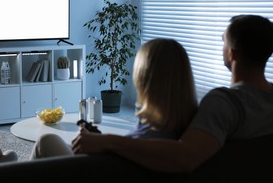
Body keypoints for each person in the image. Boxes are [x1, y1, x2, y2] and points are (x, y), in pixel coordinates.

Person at [70, 14, 273, 173]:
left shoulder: (224, 103)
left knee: (46, 144)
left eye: (223, 41)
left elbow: (185, 156)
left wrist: (107, 141)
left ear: (232, 53)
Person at [30, 38, 198, 159]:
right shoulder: (187, 127)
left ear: (143, 79)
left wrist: (102, 145)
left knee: (46, 141)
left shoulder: (151, 142)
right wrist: (99, 140)